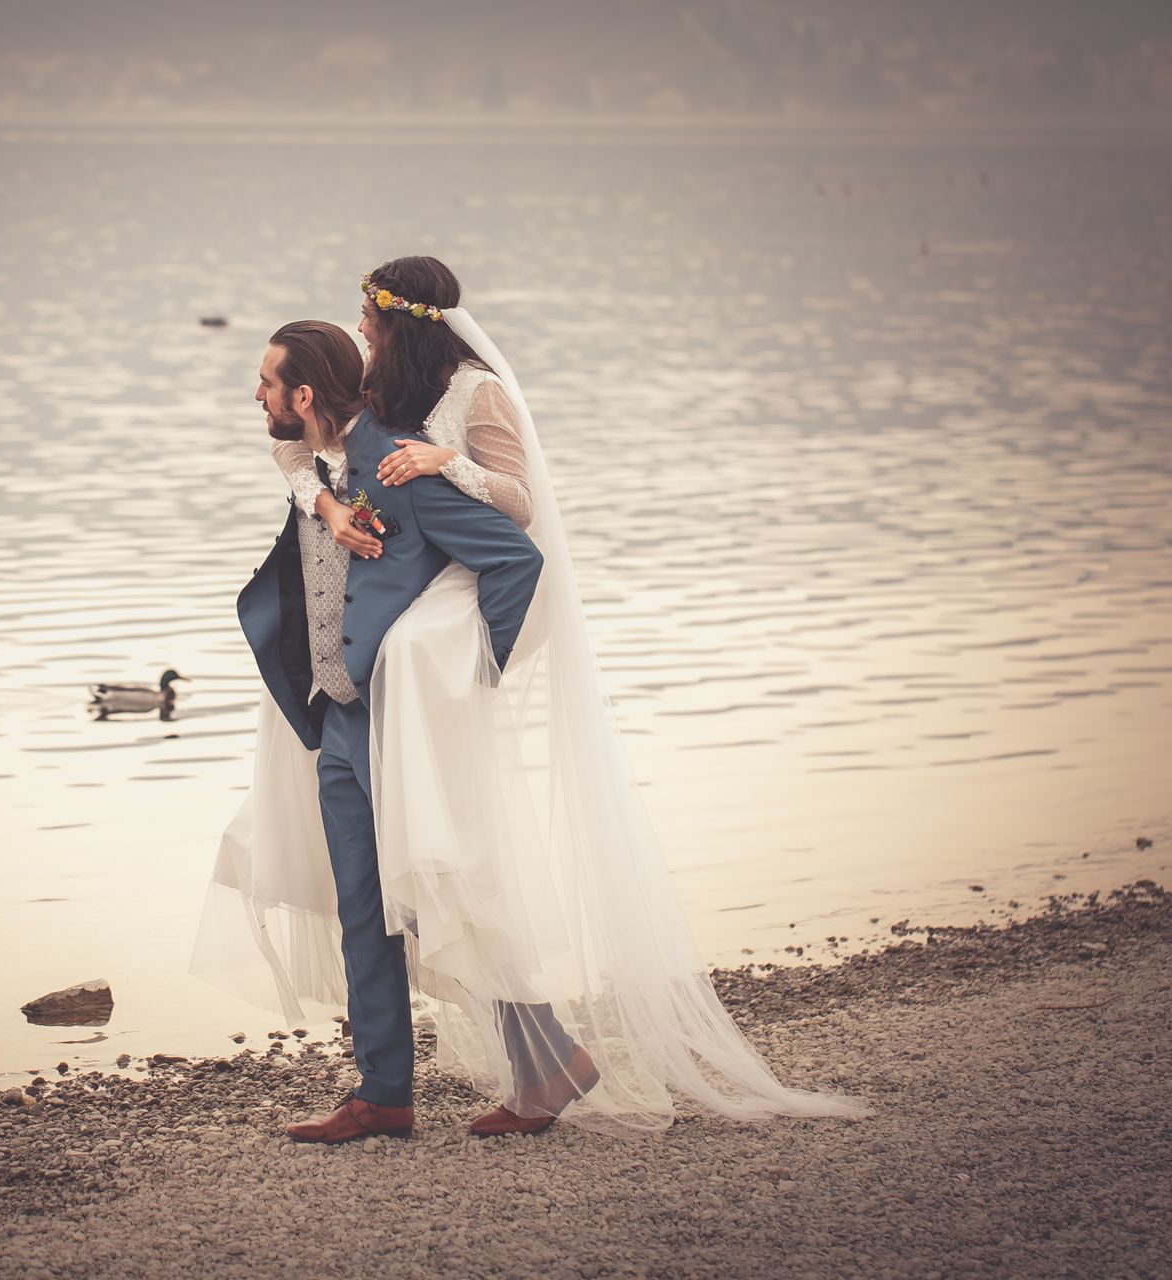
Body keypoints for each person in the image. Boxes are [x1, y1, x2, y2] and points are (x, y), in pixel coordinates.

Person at [194, 261, 866, 1140]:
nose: (255, 396)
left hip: (416, 714)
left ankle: (550, 1063)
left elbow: (519, 552)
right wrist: (323, 503)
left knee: (445, 891)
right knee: (363, 902)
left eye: (267, 382)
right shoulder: (338, 446)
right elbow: (292, 449)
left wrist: (470, 667)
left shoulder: (418, 454)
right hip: (337, 708)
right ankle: (382, 1094)